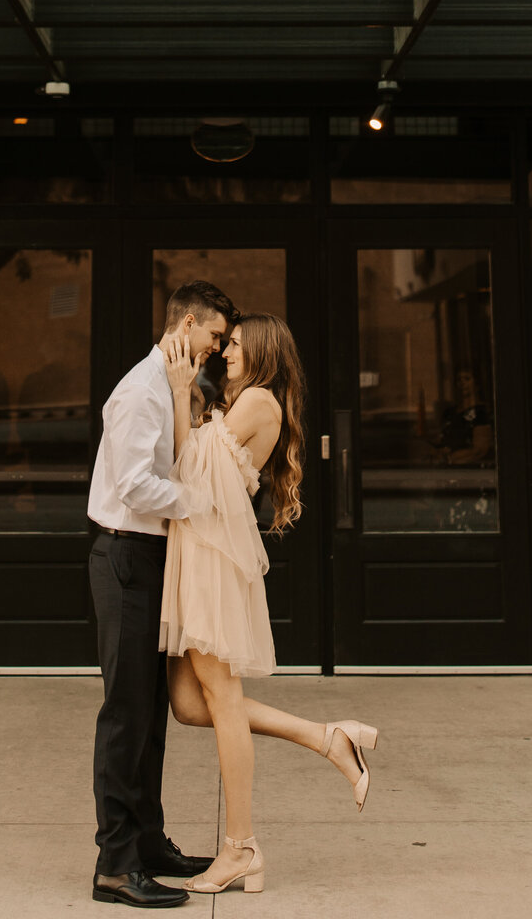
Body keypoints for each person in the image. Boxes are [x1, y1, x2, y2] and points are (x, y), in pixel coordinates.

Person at [160, 313, 379, 897]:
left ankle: (242, 847)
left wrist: (183, 394)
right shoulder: (241, 405)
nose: (225, 351)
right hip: (200, 558)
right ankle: (327, 737)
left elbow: (187, 471)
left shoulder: (258, 400)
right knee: (187, 703)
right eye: (225, 343)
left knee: (223, 702)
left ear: (261, 351)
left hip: (211, 564)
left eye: (234, 344)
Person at [88, 280, 235, 909]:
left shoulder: (172, 387)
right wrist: (201, 503)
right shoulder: (138, 391)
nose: (219, 348)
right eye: (216, 336)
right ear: (190, 322)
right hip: (125, 555)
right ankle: (115, 866)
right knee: (125, 715)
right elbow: (136, 485)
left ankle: (148, 845)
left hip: (152, 557)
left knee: (149, 716)